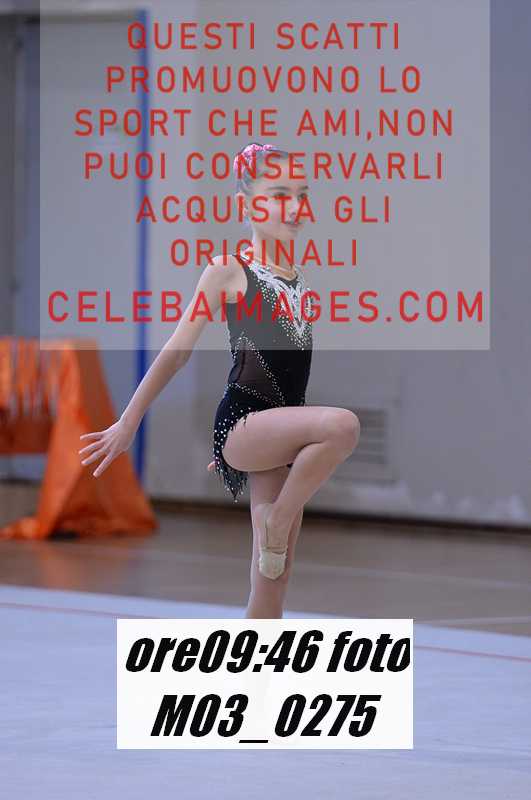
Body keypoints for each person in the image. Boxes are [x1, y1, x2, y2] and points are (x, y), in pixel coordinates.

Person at [78, 141, 360, 618]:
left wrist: (280, 439)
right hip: (243, 423)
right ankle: (277, 520)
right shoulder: (229, 270)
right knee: (343, 426)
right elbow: (177, 351)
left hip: (275, 435)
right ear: (246, 204)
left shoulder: (297, 278)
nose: (294, 206)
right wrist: (128, 422)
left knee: (271, 585)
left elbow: (290, 375)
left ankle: (254, 665)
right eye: (279, 194)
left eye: (301, 194)